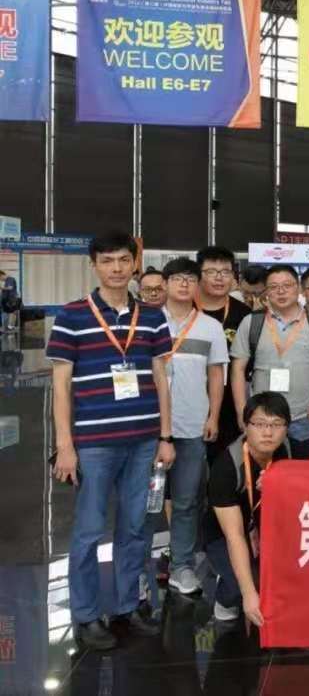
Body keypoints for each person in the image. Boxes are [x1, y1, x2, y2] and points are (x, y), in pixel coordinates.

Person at [46, 231, 174, 649]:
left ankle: (126, 606)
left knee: (135, 527)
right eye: (107, 260)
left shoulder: (152, 317)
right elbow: (61, 386)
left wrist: (165, 436)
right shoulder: (72, 315)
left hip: (143, 441)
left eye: (123, 260)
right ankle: (85, 615)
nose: (116, 268)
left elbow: (160, 378)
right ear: (94, 265)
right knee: (88, 531)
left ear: (134, 263)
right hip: (94, 443)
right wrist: (65, 446)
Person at [154, 258, 230, 596]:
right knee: (145, 502)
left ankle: (181, 566)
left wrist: (213, 416)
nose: (184, 284)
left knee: (186, 501)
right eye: (177, 278)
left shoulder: (210, 327)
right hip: (149, 428)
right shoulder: (148, 321)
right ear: (165, 283)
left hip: (191, 425)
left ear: (197, 285)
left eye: (190, 279)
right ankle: (136, 568)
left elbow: (216, 375)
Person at [205, 392, 291, 625]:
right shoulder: (227, 466)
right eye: (260, 424)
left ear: (286, 428)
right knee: (245, 587)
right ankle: (224, 594)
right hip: (224, 535)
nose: (268, 432)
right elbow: (234, 536)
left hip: (266, 529)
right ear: (245, 426)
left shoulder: (286, 451)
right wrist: (248, 593)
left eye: (276, 424)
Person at [230, 265, 309, 443]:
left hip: (304, 417)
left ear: (298, 288)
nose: (281, 291)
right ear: (266, 291)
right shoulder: (251, 322)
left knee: (303, 461)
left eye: (287, 285)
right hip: (261, 418)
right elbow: (237, 369)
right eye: (273, 287)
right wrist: (242, 410)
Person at [195, 246, 252, 459]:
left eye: (226, 272)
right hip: (190, 399)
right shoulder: (185, 308)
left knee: (224, 463)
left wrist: (242, 410)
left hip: (230, 403)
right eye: (211, 271)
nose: (219, 278)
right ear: (199, 275)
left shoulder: (244, 314)